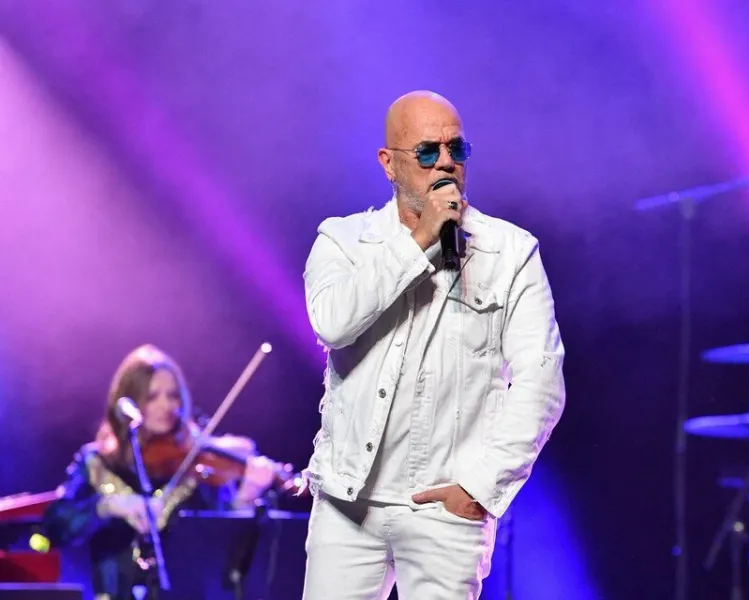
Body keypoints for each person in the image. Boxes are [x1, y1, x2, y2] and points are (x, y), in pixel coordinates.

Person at [298, 90, 566, 600]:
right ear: (389, 163)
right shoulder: (343, 241)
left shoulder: (510, 252)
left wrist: (480, 489)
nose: (445, 162)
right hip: (348, 505)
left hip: (444, 510)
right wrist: (419, 238)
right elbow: (333, 324)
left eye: (455, 149)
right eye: (426, 152)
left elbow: (541, 383)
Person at [41, 344, 280, 600]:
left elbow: (223, 545)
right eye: (152, 396)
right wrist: (106, 506)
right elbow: (55, 527)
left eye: (173, 395)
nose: (166, 405)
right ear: (129, 400)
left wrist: (245, 498)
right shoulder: (98, 462)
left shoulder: (196, 464)